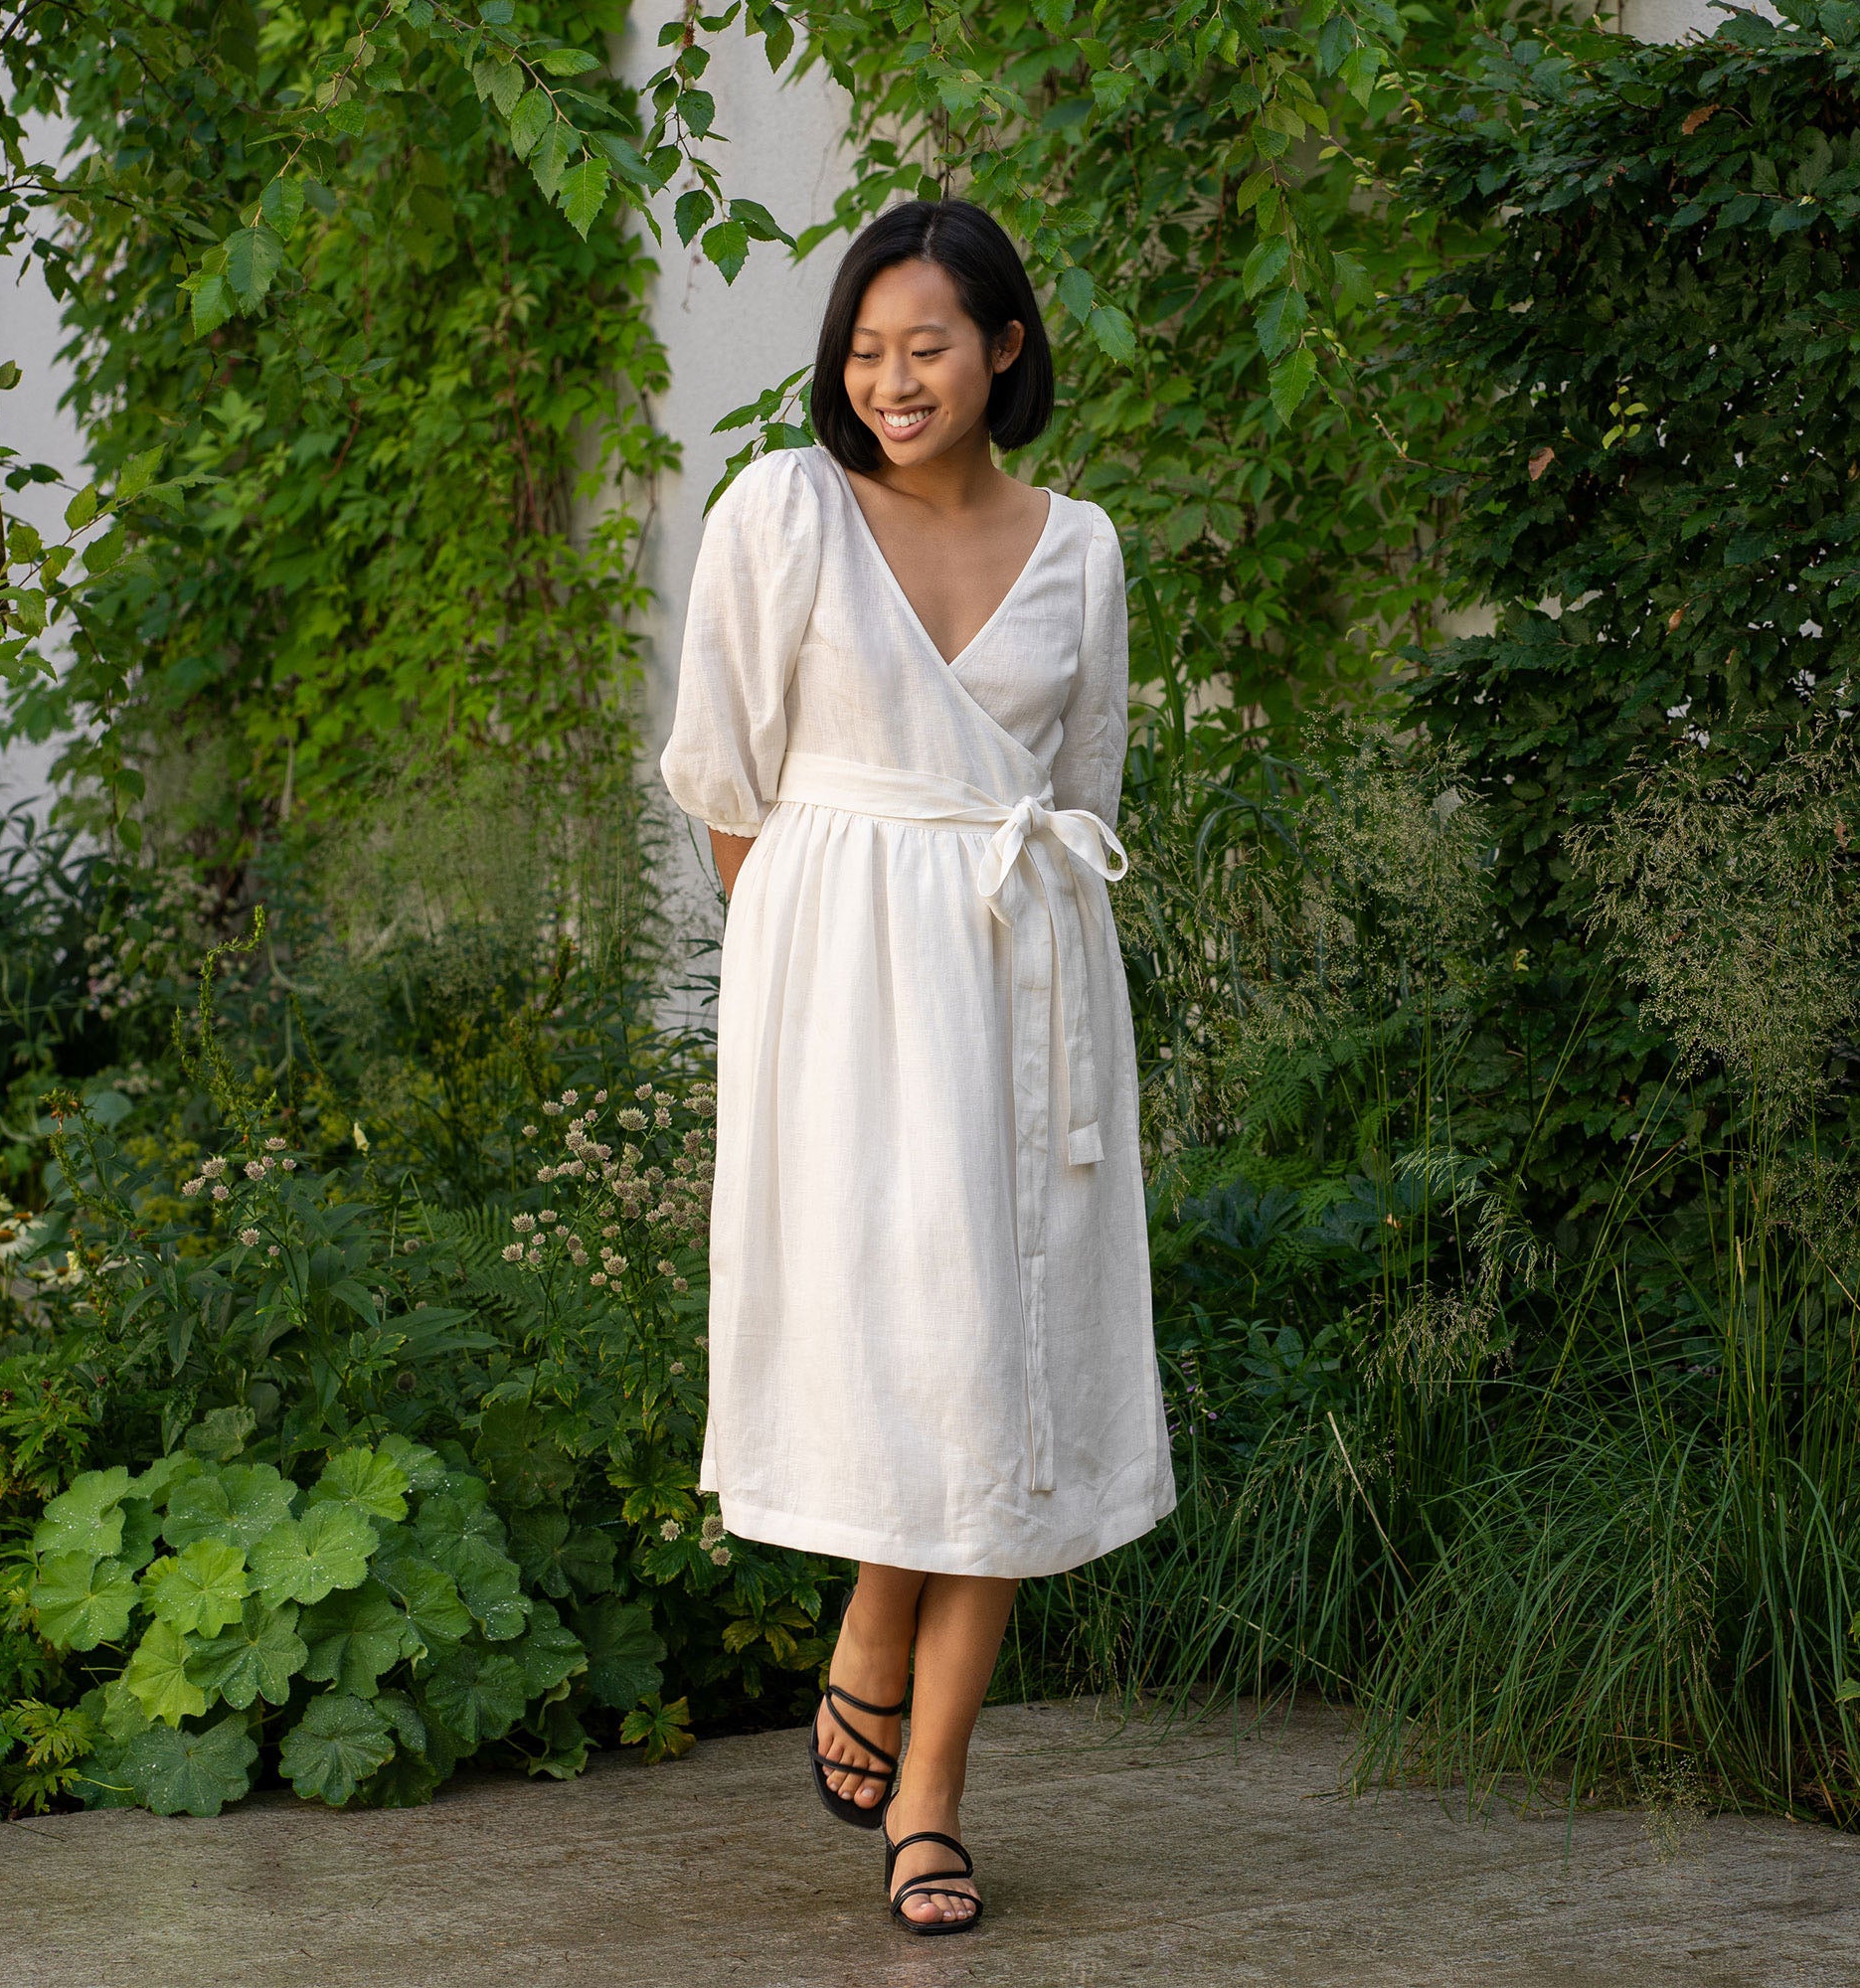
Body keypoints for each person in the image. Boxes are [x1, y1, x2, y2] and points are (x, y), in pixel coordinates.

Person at [658, 197, 1174, 1936]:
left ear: (1003, 349)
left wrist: (978, 954)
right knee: (923, 1346)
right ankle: (878, 1610)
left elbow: (1083, 793)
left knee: (1007, 1368)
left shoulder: (1081, 546)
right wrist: (816, 975)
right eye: (868, 349)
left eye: (929, 346)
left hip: (1024, 985)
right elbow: (728, 785)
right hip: (840, 1002)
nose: (893, 380)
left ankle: (929, 1800)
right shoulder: (784, 511)